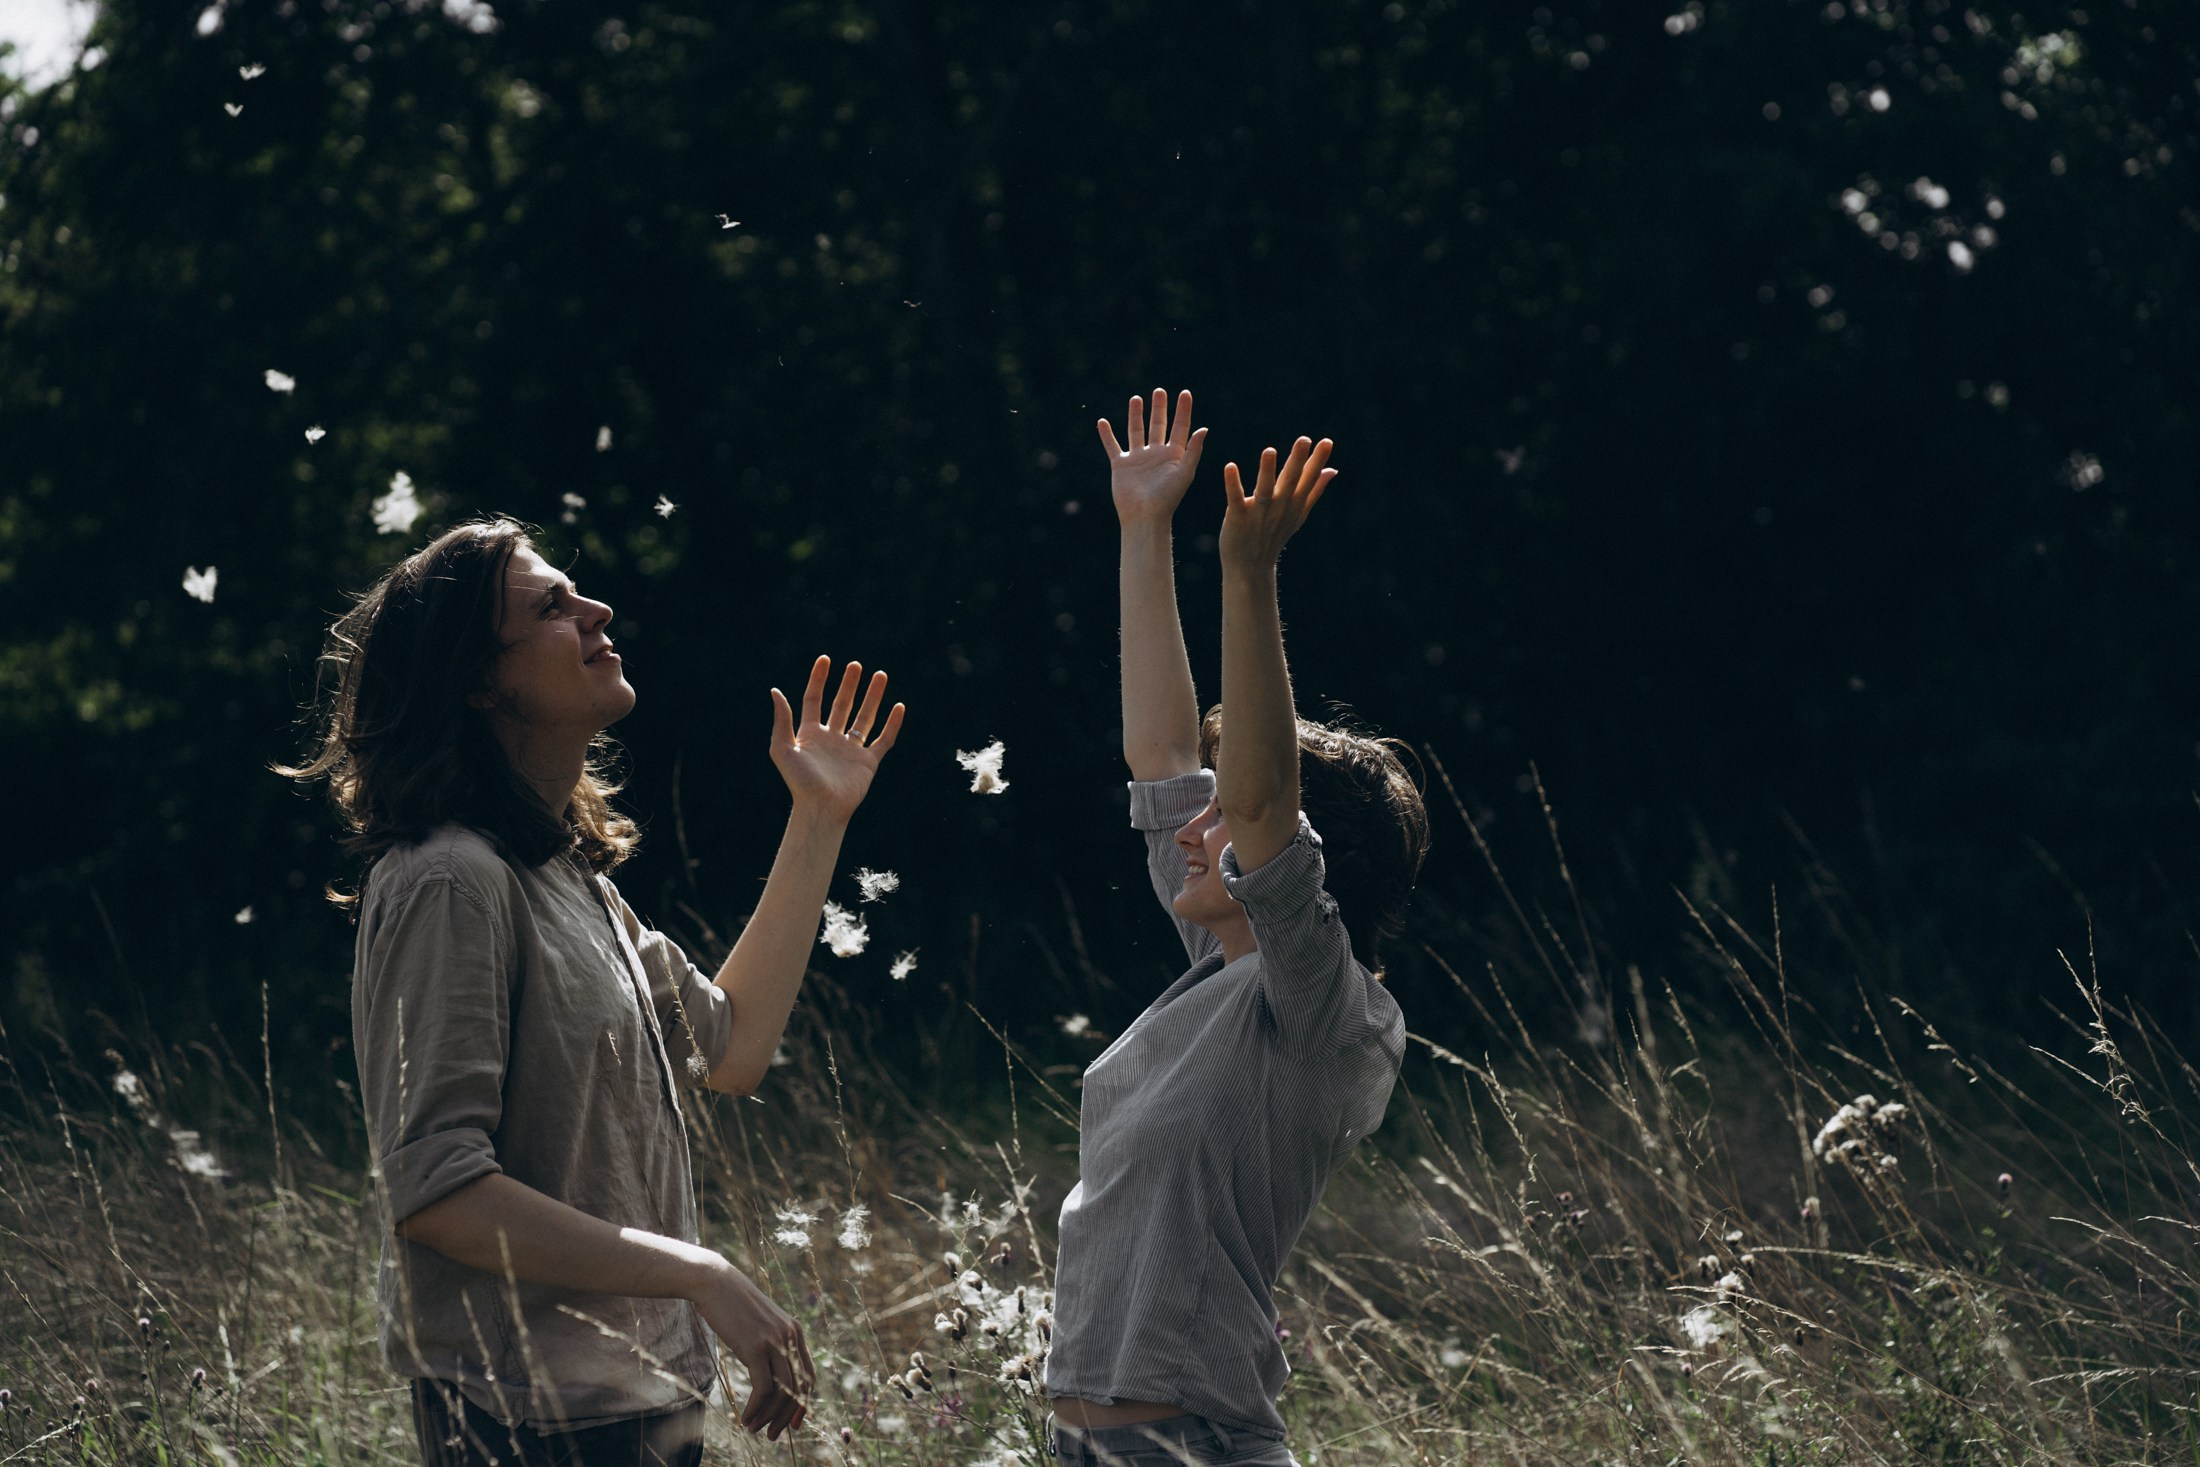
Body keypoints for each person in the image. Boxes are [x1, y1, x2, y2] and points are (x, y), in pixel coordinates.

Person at [286, 517, 904, 1466]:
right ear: (479, 679)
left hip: (641, 1400)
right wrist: (700, 1272)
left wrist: (818, 816)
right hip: (526, 1421)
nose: (598, 610)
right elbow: (438, 1191)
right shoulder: (450, 879)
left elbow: (733, 1046)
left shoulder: (570, 879)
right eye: (551, 607)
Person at [1043, 392, 1431, 1466]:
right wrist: (1143, 527)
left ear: (1307, 860)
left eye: (1224, 816)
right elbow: (1163, 754)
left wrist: (1249, 574)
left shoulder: (1321, 1005)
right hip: (1094, 1444)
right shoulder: (1219, 973)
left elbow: (1259, 803)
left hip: (1193, 1445)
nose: (1191, 823)